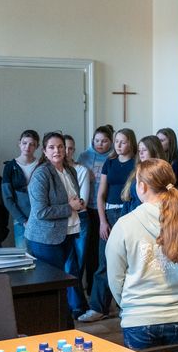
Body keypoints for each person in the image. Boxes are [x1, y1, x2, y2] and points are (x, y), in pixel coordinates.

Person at [106, 159, 178, 350]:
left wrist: (129, 305)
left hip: (138, 319)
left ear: (141, 186)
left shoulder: (125, 225)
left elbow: (115, 279)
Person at [78, 128, 137, 323]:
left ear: (131, 143)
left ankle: (127, 307)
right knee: (104, 262)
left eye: (123, 142)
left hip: (130, 213)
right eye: (117, 141)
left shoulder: (137, 163)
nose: (119, 145)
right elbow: (100, 194)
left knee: (129, 262)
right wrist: (103, 221)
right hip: (110, 214)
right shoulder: (109, 163)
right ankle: (98, 307)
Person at [24, 132, 85, 313]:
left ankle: (65, 320)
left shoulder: (70, 170)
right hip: (45, 238)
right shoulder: (41, 174)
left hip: (67, 232)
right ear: (44, 151)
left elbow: (71, 198)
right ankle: (53, 322)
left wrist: (77, 203)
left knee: (64, 280)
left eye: (60, 147)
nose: (57, 150)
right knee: (51, 284)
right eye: (52, 147)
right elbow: (41, 211)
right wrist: (70, 207)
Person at [76, 125, 114, 301]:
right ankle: (89, 289)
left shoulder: (113, 157)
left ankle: (102, 293)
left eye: (104, 141)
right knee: (89, 251)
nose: (100, 144)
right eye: (97, 140)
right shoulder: (84, 156)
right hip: (87, 208)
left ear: (110, 142)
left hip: (105, 209)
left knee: (103, 252)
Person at [63, 134, 92, 314]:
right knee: (68, 264)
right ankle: (75, 305)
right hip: (63, 221)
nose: (67, 151)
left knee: (79, 264)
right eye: (63, 147)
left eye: (71, 148)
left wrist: (71, 203)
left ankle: (77, 304)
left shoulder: (81, 170)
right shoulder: (52, 171)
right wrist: (69, 203)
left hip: (81, 219)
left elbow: (83, 201)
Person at [2, 130, 39, 249]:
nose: (27, 147)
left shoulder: (42, 165)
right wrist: (23, 220)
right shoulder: (10, 166)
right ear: (19, 143)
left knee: (42, 257)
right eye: (24, 143)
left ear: (37, 146)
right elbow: (7, 198)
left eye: (31, 144)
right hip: (20, 220)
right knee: (23, 257)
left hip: (41, 219)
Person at [121, 135, 164, 215]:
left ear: (154, 151)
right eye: (139, 150)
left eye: (144, 150)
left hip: (145, 217)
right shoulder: (137, 170)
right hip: (131, 215)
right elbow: (128, 200)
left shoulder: (160, 172)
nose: (140, 153)